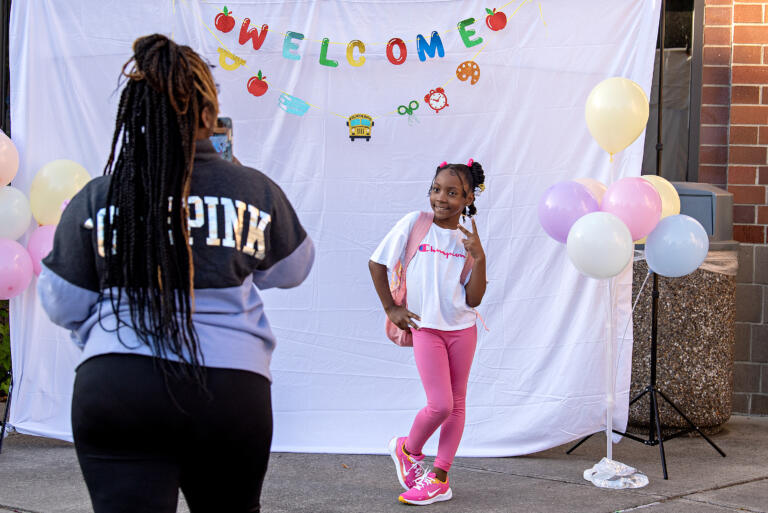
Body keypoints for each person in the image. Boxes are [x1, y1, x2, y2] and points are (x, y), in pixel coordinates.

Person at [36, 34, 314, 513]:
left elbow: (62, 301)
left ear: (136, 112)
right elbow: (293, 269)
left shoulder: (100, 194)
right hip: (230, 392)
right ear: (208, 115)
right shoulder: (251, 189)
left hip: (118, 387)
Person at [368, 160, 487, 506]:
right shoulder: (415, 224)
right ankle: (407, 449)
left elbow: (474, 297)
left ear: (468, 198)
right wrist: (391, 308)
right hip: (426, 329)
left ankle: (439, 478)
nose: (442, 198)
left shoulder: (468, 236)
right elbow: (377, 263)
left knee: (458, 404)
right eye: (437, 189)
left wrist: (479, 259)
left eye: (453, 193)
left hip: (462, 330)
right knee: (440, 404)